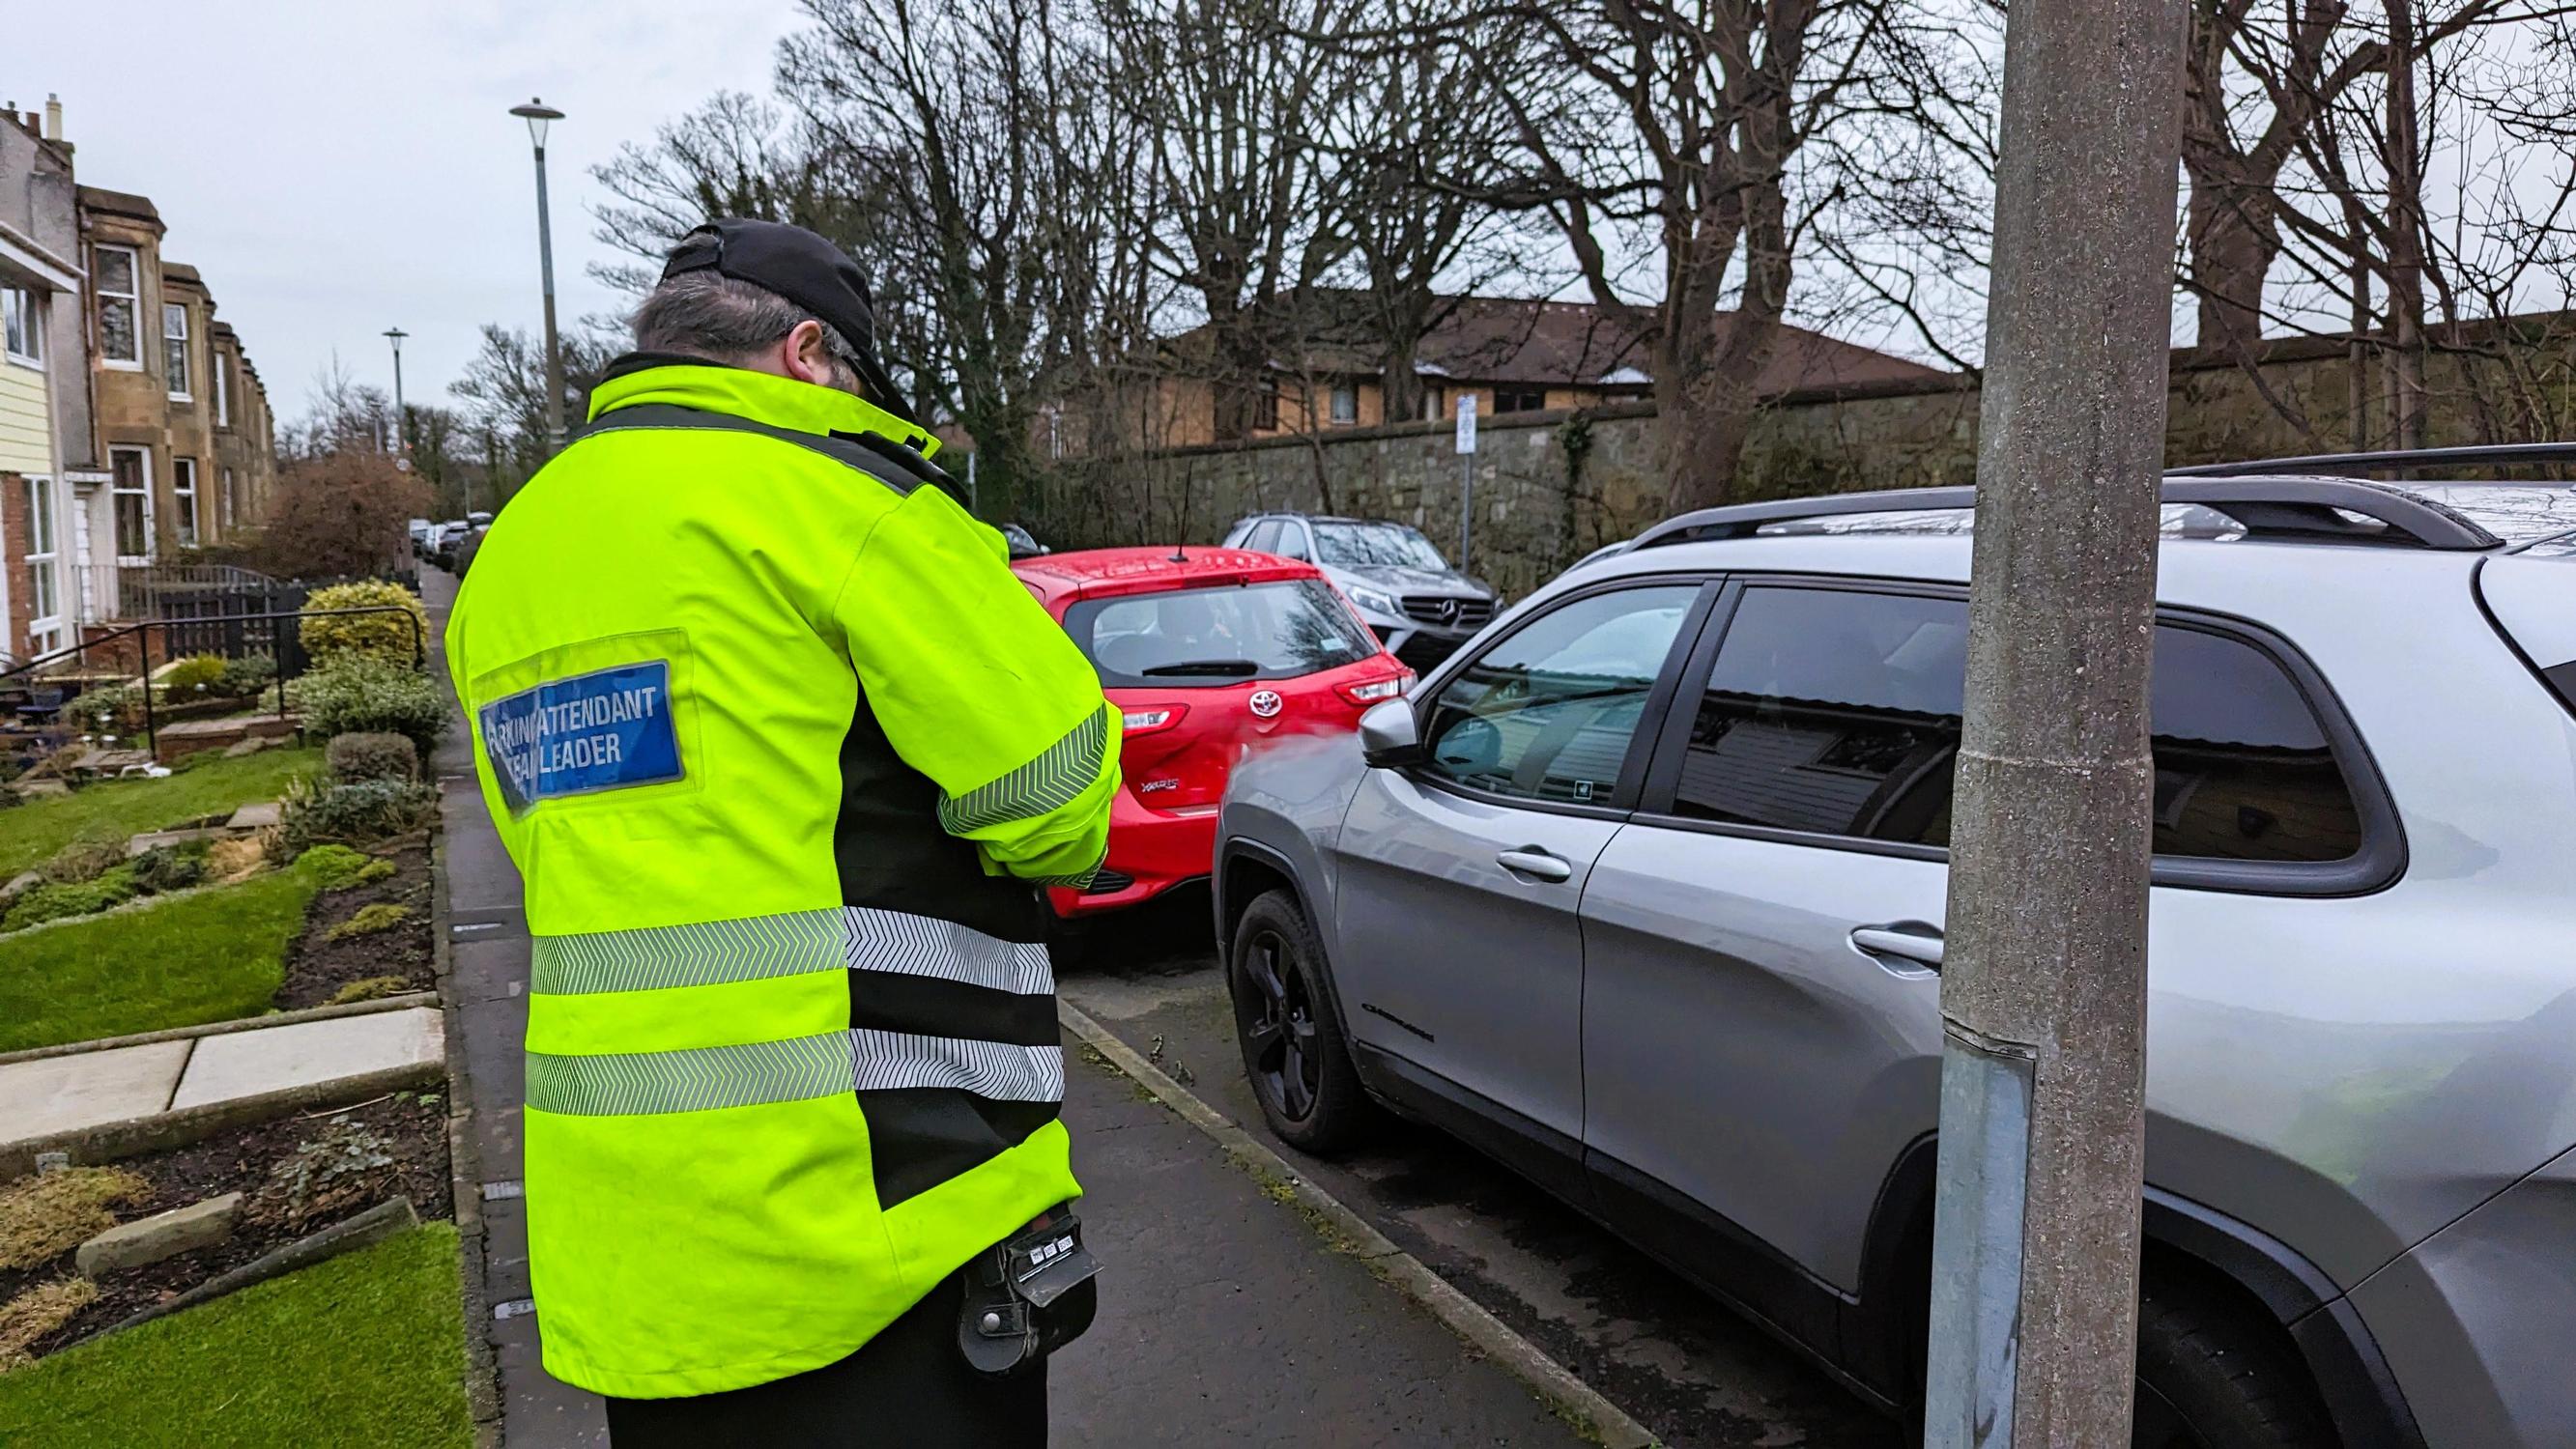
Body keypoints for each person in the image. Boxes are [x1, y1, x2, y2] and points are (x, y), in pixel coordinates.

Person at [444, 218, 1121, 1445]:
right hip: (883, 1220)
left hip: (634, 1251)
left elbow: (549, 840)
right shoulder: (842, 500)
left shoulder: (516, 552)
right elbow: (1056, 797)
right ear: (810, 354)